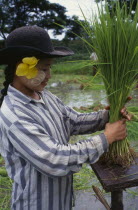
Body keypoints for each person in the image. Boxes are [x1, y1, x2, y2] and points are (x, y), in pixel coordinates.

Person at [0, 26, 128, 210]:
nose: (49, 76)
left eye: (50, 67)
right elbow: (54, 159)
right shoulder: (14, 115)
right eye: (44, 69)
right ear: (21, 69)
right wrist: (106, 138)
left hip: (62, 201)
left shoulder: (45, 95)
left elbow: (73, 121)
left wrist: (109, 115)